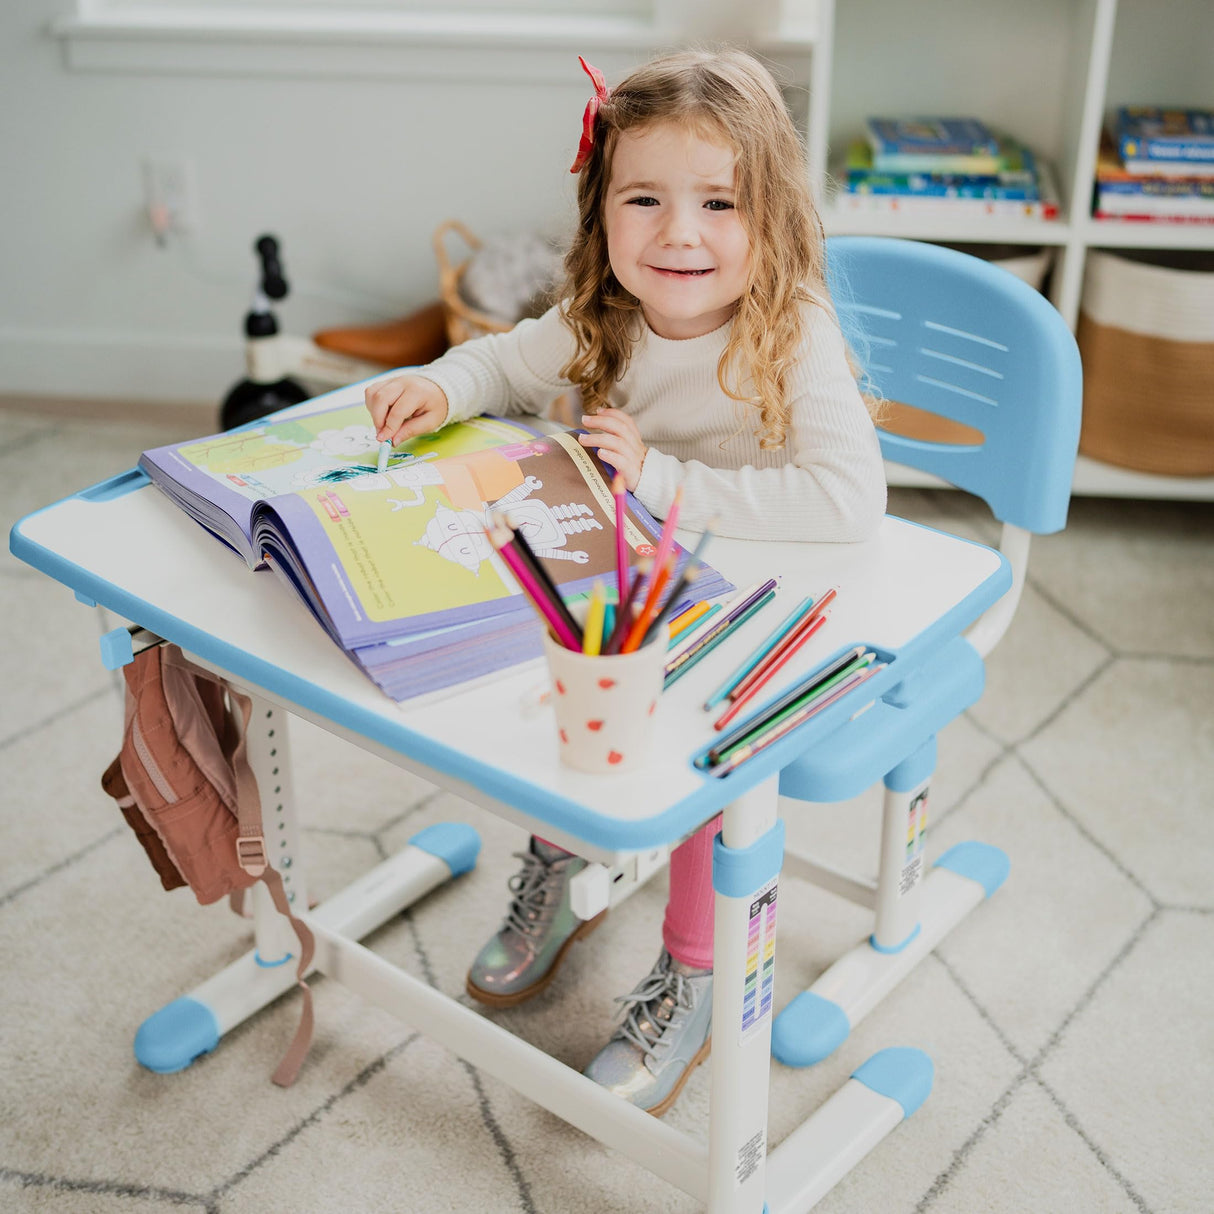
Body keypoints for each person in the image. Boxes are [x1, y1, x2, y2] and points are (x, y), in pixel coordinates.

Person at [365, 48, 887, 1116]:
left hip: (760, 612)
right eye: (642, 198)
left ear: (772, 218)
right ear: (600, 212)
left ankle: (692, 971)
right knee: (561, 699)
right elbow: (503, 363)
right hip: (633, 596)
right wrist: (437, 378)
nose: (678, 233)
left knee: (698, 766)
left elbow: (849, 501)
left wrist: (662, 477)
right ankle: (562, 868)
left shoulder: (797, 334)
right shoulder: (598, 311)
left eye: (717, 202)